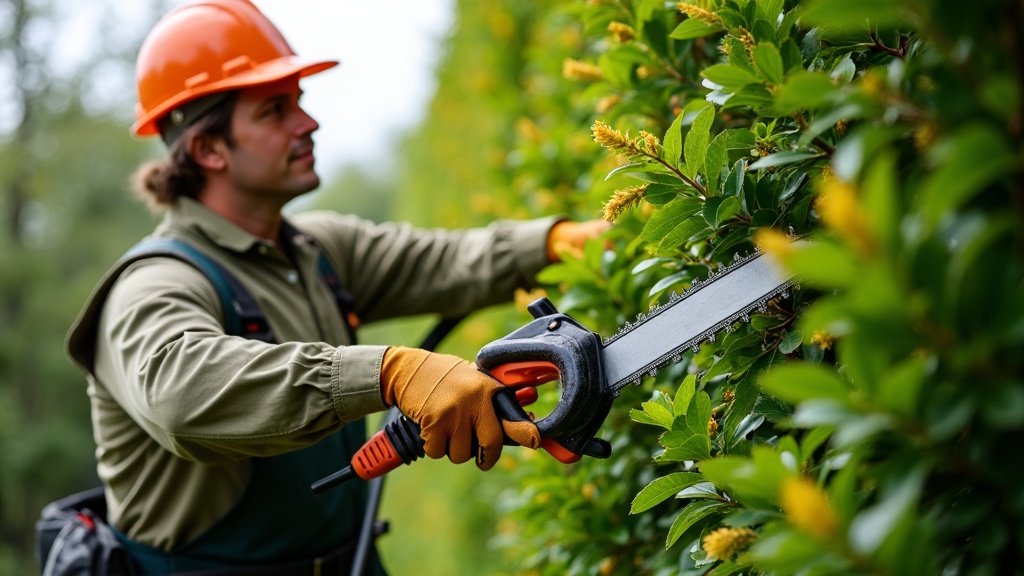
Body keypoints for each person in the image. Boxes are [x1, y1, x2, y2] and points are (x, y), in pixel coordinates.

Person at [64, 1, 608, 574]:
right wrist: (389, 373)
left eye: (298, 101)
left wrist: (558, 242)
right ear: (207, 149)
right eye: (275, 110)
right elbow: (182, 395)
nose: (308, 123)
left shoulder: (312, 249)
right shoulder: (154, 284)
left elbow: (444, 261)